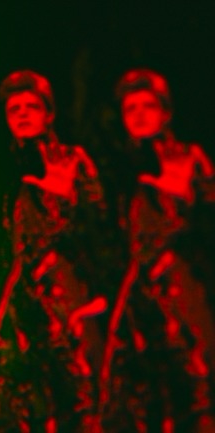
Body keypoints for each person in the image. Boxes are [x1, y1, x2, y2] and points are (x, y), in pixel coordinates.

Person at [0, 70, 107, 432]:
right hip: (24, 305)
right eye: (14, 109)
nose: (22, 114)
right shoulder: (9, 172)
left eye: (31, 106)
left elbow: (99, 230)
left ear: (48, 113)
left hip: (69, 296)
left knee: (79, 396)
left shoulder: (72, 160)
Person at [99, 68, 215, 433]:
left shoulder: (190, 159)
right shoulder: (121, 173)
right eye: (129, 108)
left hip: (187, 295)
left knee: (195, 390)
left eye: (147, 105)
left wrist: (186, 209)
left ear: (166, 113)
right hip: (140, 305)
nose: (138, 114)